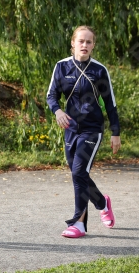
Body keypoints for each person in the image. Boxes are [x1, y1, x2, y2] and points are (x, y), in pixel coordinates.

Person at [47, 25, 121, 238]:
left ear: (93, 45)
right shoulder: (61, 67)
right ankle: (101, 202)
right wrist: (58, 111)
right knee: (78, 173)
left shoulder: (99, 71)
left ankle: (78, 223)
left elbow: (110, 105)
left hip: (92, 129)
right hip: (70, 129)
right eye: (81, 41)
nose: (85, 45)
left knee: (79, 172)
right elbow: (51, 95)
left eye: (89, 42)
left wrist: (115, 132)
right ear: (73, 43)